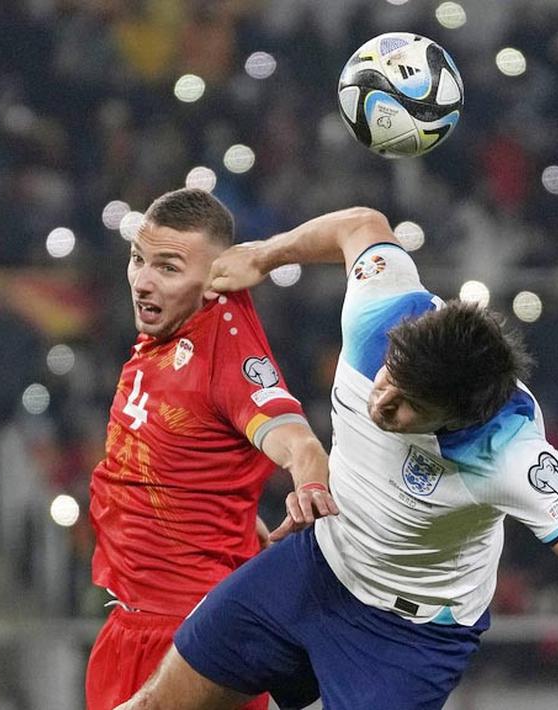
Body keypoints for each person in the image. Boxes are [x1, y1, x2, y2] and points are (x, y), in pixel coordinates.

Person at [118, 207, 558, 710]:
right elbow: (362, 224)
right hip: (315, 566)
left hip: (407, 639)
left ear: (456, 416)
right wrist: (264, 255)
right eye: (388, 378)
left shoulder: (508, 452)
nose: (381, 402)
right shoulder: (381, 309)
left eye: (407, 408)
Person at [85, 188, 338, 710]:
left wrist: (311, 484)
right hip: (129, 626)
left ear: (216, 278)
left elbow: (299, 442)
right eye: (138, 260)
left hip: (196, 639)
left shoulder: (226, 350)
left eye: (169, 268)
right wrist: (237, 519)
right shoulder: (165, 333)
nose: (144, 281)